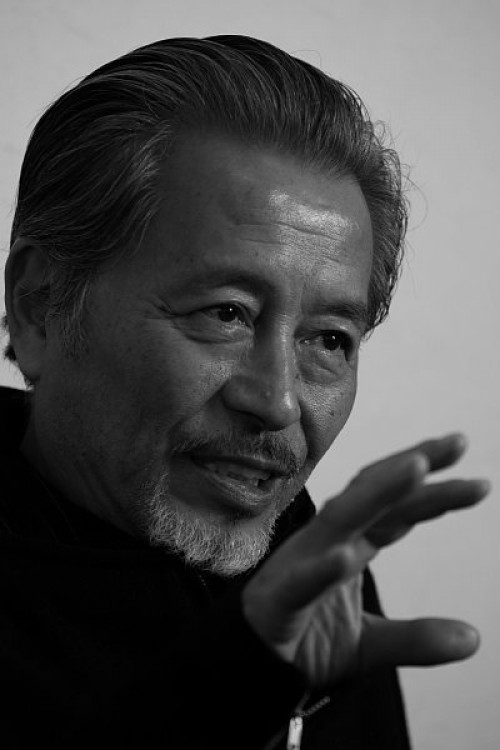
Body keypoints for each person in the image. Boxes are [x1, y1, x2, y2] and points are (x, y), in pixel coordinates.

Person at [0, 35, 488, 749]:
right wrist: (233, 686)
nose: (278, 402)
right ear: (40, 304)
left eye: (329, 340)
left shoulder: (313, 571)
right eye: (226, 313)